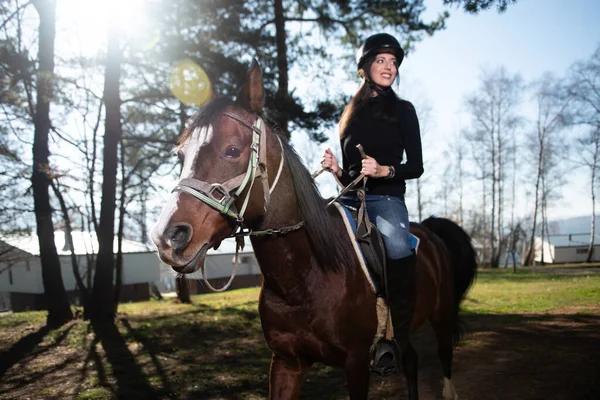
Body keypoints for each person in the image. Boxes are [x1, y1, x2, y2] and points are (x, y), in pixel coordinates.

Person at [321, 32, 423, 374]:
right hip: (350, 199)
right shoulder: (348, 116)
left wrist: (383, 169)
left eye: (393, 62)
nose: (388, 67)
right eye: (380, 60)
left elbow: (417, 166)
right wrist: (336, 170)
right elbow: (351, 174)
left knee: (395, 245)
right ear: (364, 68)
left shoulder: (404, 111)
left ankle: (397, 335)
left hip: (387, 199)